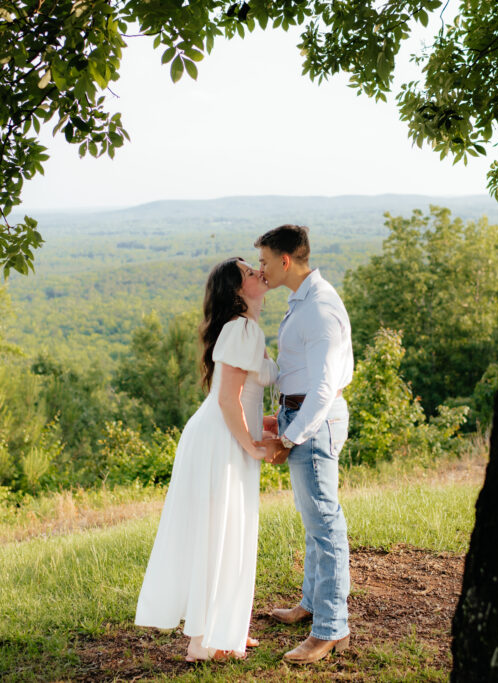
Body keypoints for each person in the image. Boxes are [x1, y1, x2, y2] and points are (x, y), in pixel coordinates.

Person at [134, 257, 276, 662]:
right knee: (221, 533)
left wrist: (262, 425)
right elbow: (228, 399)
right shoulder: (243, 328)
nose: (258, 273)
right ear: (236, 290)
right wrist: (251, 445)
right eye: (249, 272)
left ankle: (224, 628)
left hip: (223, 433)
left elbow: (239, 396)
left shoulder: (242, 330)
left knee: (230, 532)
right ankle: (206, 643)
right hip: (221, 441)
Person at [256, 225, 355, 665]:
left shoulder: (319, 309)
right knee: (314, 521)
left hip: (314, 423)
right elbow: (295, 372)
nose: (259, 269)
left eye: (262, 261)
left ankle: (330, 630)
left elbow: (322, 389)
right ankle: (311, 605)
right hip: (298, 416)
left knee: (326, 526)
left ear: (284, 260)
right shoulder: (301, 303)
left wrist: (289, 437)